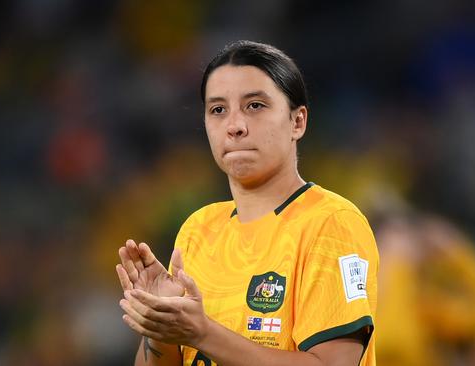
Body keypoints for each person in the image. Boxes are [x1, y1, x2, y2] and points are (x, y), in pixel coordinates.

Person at [115, 40, 379, 366]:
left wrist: (202, 333)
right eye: (218, 110)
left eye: (255, 106)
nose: (235, 126)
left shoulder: (331, 223)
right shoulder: (199, 230)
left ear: (297, 121)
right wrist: (161, 324)